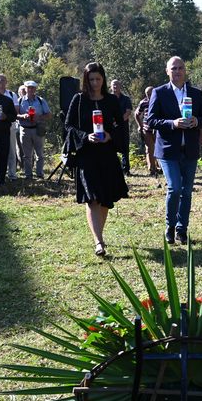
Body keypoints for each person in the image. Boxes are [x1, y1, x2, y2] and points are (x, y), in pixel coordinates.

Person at [65, 62, 129, 256]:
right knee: (92, 198)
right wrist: (85, 136)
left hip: (107, 154)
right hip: (87, 155)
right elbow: (68, 125)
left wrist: (110, 135)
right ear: (86, 79)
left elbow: (120, 126)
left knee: (105, 199)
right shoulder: (78, 100)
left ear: (103, 79)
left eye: (98, 79)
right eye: (91, 79)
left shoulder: (111, 100)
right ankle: (99, 241)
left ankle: (99, 235)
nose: (94, 83)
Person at [146, 56, 202, 246]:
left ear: (185, 70)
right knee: (174, 188)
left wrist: (197, 121)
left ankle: (182, 230)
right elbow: (151, 120)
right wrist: (172, 124)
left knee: (187, 191)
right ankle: (170, 227)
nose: (177, 71)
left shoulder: (196, 93)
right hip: (167, 150)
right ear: (167, 71)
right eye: (173, 68)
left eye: (181, 67)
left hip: (189, 150)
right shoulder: (159, 93)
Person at [16, 80, 50, 179]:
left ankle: (40, 174)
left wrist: (38, 117)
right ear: (25, 88)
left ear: (35, 89)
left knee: (39, 154)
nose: (30, 89)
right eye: (28, 87)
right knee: (27, 155)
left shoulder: (40, 100)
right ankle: (28, 175)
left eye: (32, 87)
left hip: (38, 129)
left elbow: (48, 115)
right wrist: (23, 116)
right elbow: (15, 115)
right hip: (24, 129)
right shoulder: (20, 101)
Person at [110, 78, 134, 174]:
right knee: (111, 148)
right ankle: (113, 169)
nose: (115, 86)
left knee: (125, 148)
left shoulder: (126, 99)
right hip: (110, 127)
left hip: (123, 127)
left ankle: (126, 169)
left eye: (117, 85)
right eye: (113, 85)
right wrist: (112, 122)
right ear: (111, 87)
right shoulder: (107, 98)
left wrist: (118, 122)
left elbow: (128, 112)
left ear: (120, 86)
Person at [134, 89, 160, 177]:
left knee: (159, 149)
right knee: (149, 149)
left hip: (158, 129)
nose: (149, 95)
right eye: (148, 94)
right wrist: (140, 126)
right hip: (146, 129)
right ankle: (152, 169)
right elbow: (137, 114)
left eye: (151, 93)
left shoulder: (159, 100)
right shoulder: (143, 102)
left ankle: (159, 167)